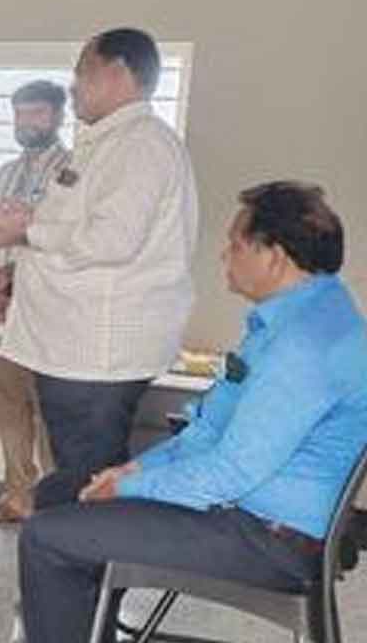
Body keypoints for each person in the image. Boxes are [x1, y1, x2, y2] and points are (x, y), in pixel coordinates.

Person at [19, 181, 367, 643]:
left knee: (47, 537)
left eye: (235, 244)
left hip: (267, 536)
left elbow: (232, 471)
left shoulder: (304, 345)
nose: (224, 255)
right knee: (62, 490)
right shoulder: (299, 318)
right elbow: (209, 430)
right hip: (247, 510)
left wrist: (129, 487)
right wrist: (135, 468)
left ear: (275, 256)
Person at [0, 28, 198, 509]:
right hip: (71, 347)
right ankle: (71, 570)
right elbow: (73, 226)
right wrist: (25, 225)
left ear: (117, 74)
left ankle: (78, 579)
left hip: (97, 357)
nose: (74, 85)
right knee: (79, 480)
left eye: (81, 72)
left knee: (83, 483)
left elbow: (112, 240)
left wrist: (28, 229)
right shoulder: (103, 146)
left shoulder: (141, 146)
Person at [0, 81, 71, 524]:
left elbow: (67, 240)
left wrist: (13, 281)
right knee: (8, 405)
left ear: (58, 117)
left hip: (48, 312)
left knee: (50, 408)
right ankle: (16, 497)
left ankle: (52, 506)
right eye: (20, 115)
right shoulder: (1, 175)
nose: (26, 123)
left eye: (37, 114)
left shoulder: (73, 174)